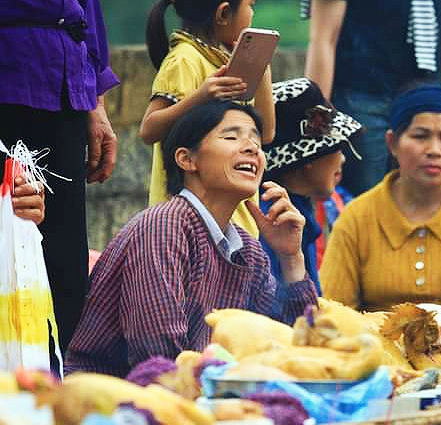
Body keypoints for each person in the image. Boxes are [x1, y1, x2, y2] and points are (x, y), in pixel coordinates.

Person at [66, 102, 317, 377]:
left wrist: (291, 258)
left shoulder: (249, 251)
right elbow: (159, 357)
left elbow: (292, 347)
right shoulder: (163, 227)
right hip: (116, 402)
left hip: (197, 393)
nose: (252, 148)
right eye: (232, 136)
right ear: (187, 159)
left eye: (256, 140)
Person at [0, 0, 119, 354]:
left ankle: (54, 388)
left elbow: (85, 1)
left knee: (63, 265)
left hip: (65, 88)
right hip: (9, 82)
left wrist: (95, 104)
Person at [320, 85, 441, 312]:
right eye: (420, 136)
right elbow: (336, 313)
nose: (434, 150)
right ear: (392, 143)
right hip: (372, 345)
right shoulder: (356, 218)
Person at [140, 0, 274, 237]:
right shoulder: (185, 60)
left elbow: (266, 134)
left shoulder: (228, 62)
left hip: (236, 227)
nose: (253, 14)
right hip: (189, 228)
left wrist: (262, 73)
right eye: (251, 4)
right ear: (224, 13)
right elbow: (149, 129)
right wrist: (200, 96)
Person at [303, 0, 441, 197]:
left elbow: (440, 27)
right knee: (364, 202)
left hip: (422, 105)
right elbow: (323, 40)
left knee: (426, 203)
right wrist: (316, 127)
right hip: (361, 101)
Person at [259, 77, 363, 291]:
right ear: (308, 160)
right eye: (336, 149)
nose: (342, 159)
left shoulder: (296, 209)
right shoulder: (272, 220)